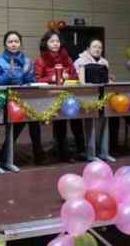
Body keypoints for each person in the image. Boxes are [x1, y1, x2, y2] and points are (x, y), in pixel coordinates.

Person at [73, 39, 130, 153]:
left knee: (115, 108)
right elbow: (78, 80)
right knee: (112, 105)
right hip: (87, 95)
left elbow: (106, 80)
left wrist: (110, 79)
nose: (97, 49)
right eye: (94, 47)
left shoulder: (104, 62)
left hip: (104, 95)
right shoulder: (79, 62)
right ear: (88, 49)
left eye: (100, 47)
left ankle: (113, 145)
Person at [0, 31, 45, 165]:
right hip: (6, 100)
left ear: (20, 44)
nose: (13, 44)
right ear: (5, 44)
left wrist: (28, 76)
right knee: (23, 115)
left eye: (16, 41)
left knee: (33, 116)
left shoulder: (27, 61)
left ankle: (37, 153)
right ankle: (6, 153)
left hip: (25, 99)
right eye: (10, 42)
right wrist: (7, 75)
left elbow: (32, 82)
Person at [35, 30, 83, 162]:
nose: (55, 44)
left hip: (68, 95)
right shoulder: (40, 60)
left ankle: (82, 150)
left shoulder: (67, 59)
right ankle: (63, 152)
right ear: (46, 43)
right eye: (52, 41)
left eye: (57, 41)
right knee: (60, 120)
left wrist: (68, 77)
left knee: (77, 117)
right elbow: (37, 79)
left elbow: (76, 77)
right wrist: (51, 78)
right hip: (50, 97)